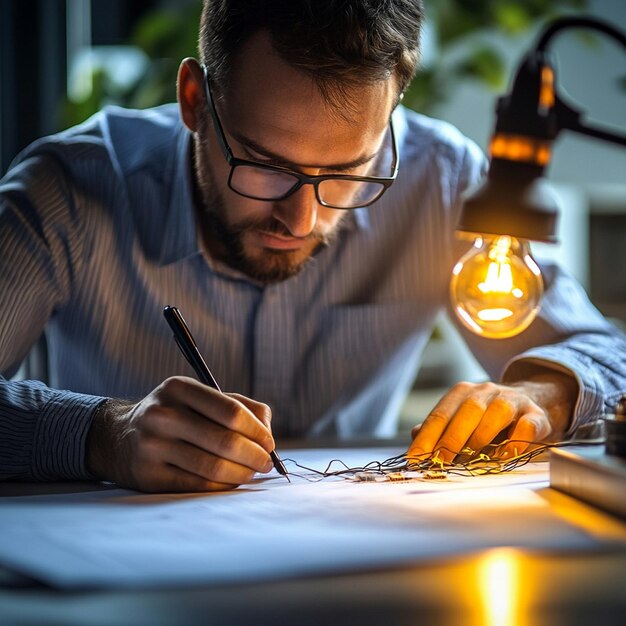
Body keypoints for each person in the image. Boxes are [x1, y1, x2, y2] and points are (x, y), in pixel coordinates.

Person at [1, 0, 624, 492]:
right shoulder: (71, 189)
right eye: (265, 165)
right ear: (195, 100)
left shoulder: (440, 180)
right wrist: (103, 434)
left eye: (350, 172)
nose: (300, 218)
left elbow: (604, 353)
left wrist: (546, 394)